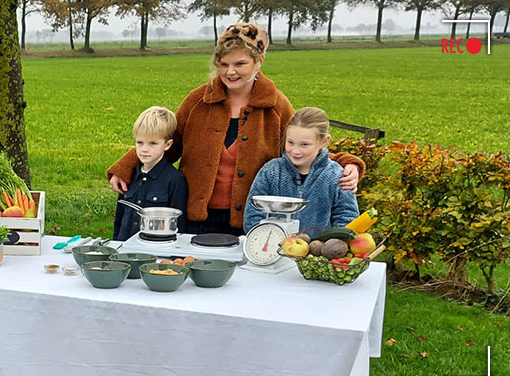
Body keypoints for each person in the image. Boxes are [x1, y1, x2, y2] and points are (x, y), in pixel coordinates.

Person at [106, 23, 365, 236]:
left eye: (240, 64)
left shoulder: (275, 105)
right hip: (195, 217)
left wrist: (348, 164)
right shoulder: (198, 101)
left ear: (259, 61)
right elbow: (167, 140)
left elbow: (303, 143)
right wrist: (126, 166)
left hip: (249, 222)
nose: (230, 72)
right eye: (224, 64)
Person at [244, 107, 359, 232]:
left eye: (304, 145)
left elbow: (347, 217)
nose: (295, 151)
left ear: (323, 141)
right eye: (290, 142)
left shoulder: (336, 175)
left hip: (318, 250)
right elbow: (253, 214)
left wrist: (331, 244)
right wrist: (263, 240)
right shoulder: (271, 171)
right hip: (270, 248)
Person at [113, 106, 189, 241]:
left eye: (153, 143)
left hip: (156, 252)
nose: (144, 149)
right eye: (140, 143)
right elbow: (119, 217)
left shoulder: (175, 181)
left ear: (167, 144)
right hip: (124, 249)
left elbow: (179, 226)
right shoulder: (127, 175)